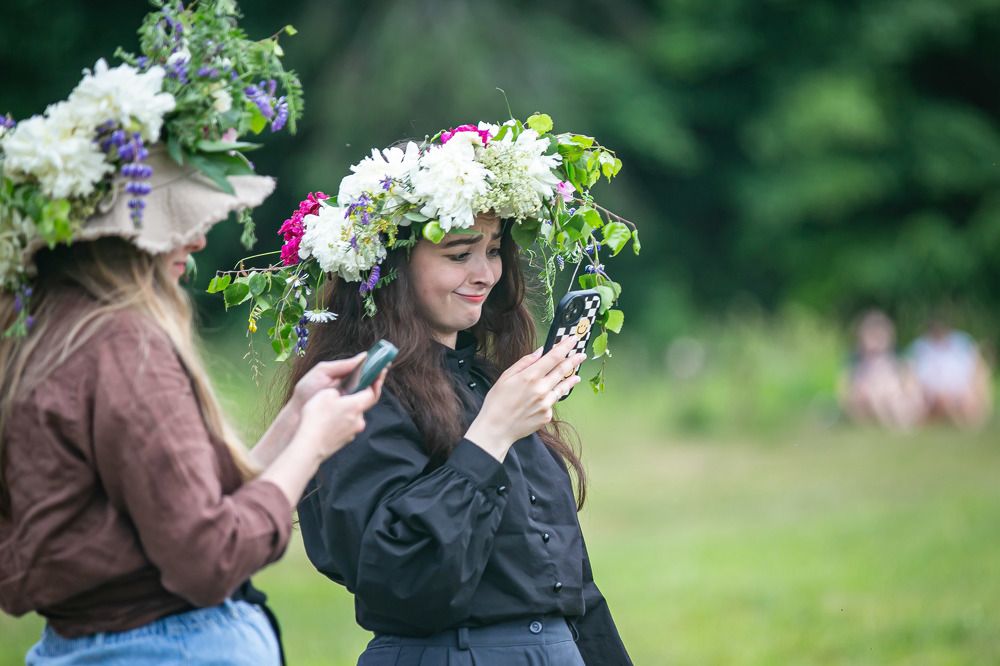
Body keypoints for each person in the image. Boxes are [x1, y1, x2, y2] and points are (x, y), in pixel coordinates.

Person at [0, 3, 383, 663]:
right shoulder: (125, 345)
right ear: (124, 239)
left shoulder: (39, 337)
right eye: (181, 220)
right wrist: (313, 448)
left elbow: (172, 521)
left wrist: (293, 421)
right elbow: (209, 558)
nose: (201, 237)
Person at [247, 119, 636, 665]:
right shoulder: (364, 389)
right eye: (459, 254)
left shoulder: (486, 381)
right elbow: (401, 578)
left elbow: (568, 589)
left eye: (494, 250)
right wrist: (490, 437)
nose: (485, 274)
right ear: (394, 267)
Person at [839, 309, 924, 430]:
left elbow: (910, 384)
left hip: (893, 394)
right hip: (867, 398)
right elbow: (845, 389)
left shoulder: (897, 358)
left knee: (895, 396)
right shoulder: (856, 360)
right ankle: (890, 425)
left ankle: (901, 424)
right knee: (875, 394)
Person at [908, 317, 993, 429]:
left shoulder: (962, 343)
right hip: (932, 392)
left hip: (962, 389)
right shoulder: (920, 347)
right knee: (943, 399)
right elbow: (911, 372)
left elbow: (978, 367)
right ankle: (961, 425)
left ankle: (964, 422)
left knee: (965, 398)